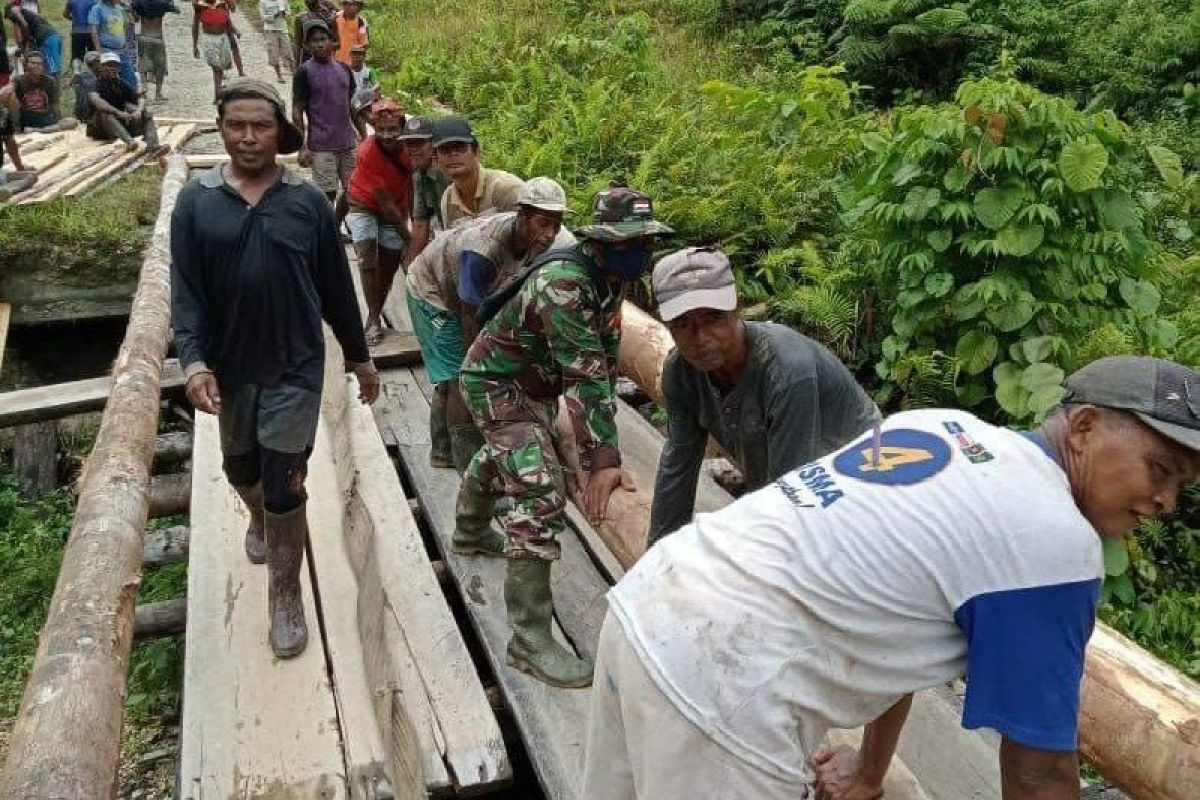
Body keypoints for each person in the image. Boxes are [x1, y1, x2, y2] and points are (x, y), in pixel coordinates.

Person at [579, 355, 1200, 800]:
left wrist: (871, 772)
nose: (1167, 500)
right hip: (723, 681)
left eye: (1181, 487)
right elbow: (1038, 772)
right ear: (1085, 426)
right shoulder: (1055, 543)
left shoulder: (944, 428)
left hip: (650, 600)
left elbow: (900, 624)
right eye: (1160, 469)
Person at [171, 78, 379, 659]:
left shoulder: (307, 201)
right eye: (237, 125)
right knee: (242, 469)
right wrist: (193, 362)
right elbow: (185, 293)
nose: (248, 137)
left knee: (287, 480)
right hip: (231, 368)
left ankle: (284, 595)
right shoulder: (197, 203)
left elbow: (338, 289)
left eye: (261, 125)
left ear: (279, 131)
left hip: (295, 366)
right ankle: (257, 516)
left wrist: (359, 359)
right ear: (220, 127)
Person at [455, 187, 673, 689]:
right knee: (540, 488)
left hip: (530, 382)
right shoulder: (566, 284)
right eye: (627, 244)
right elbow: (588, 376)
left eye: (644, 243)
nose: (639, 253)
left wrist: (600, 450)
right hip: (497, 383)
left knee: (516, 457)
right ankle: (529, 640)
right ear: (601, 243)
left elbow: (605, 350)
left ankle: (469, 530)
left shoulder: (610, 279)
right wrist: (603, 461)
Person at [647, 246, 880, 543]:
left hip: (857, 486)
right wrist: (658, 557)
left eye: (713, 318)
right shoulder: (680, 372)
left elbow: (793, 494)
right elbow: (678, 466)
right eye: (683, 324)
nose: (701, 338)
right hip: (786, 487)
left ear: (738, 308)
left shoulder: (787, 370)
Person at [406, 178, 577, 473]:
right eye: (543, 223)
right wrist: (487, 370)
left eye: (556, 224)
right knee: (461, 375)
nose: (549, 234)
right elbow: (471, 318)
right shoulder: (483, 251)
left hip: (479, 293)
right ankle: (466, 463)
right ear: (522, 215)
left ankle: (446, 449)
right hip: (432, 292)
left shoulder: (551, 242)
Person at [345, 97, 411, 345]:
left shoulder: (411, 148)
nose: (387, 135)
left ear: (402, 127)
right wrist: (410, 239)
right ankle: (373, 319)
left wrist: (415, 222)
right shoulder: (367, 151)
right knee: (368, 258)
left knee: (390, 263)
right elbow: (384, 203)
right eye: (381, 130)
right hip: (365, 203)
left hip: (398, 204)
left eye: (392, 129)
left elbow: (415, 187)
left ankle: (376, 308)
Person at [293, 19, 360, 219]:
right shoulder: (304, 72)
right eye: (314, 41)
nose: (319, 44)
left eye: (323, 39)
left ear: (333, 42)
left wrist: (363, 133)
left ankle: (335, 225)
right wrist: (301, 146)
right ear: (307, 45)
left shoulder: (344, 70)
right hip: (321, 145)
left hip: (347, 143)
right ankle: (325, 229)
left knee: (353, 192)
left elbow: (352, 106)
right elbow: (297, 109)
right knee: (326, 193)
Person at [433, 115, 523, 229]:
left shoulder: (506, 189)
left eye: (460, 148)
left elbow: (528, 237)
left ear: (476, 153)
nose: (453, 154)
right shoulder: (448, 200)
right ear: (436, 160)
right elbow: (452, 243)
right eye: (445, 150)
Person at [86, 51, 161, 152]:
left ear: (119, 68)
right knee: (105, 113)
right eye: (109, 66)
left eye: (115, 66)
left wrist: (138, 111)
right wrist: (118, 113)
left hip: (119, 126)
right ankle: (130, 142)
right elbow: (97, 101)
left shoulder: (121, 83)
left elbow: (141, 97)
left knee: (145, 113)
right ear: (102, 67)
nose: (112, 68)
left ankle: (153, 146)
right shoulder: (94, 84)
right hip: (100, 129)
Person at [400, 114, 450, 263]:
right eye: (410, 144)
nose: (414, 149)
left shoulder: (444, 172)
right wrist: (411, 264)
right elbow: (420, 222)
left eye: (420, 143)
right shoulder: (419, 174)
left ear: (433, 144)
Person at [131, 0, 179, 102]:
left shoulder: (139, 3)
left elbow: (132, 12)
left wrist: (135, 14)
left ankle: (144, 87)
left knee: (142, 65)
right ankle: (158, 93)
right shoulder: (162, 4)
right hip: (157, 38)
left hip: (144, 37)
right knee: (160, 67)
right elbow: (177, 10)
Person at [192, 0, 237, 103]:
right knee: (215, 66)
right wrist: (195, 45)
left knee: (221, 66)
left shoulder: (221, 4)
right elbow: (195, 25)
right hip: (209, 37)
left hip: (223, 36)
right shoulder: (200, 6)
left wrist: (234, 30)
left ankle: (219, 91)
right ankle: (218, 92)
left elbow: (230, 14)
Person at [7, 0, 63, 76]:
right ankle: (54, 83)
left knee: (51, 68)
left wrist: (23, 46)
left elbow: (25, 26)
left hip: (47, 39)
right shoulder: (30, 13)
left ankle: (53, 85)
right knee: (55, 64)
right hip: (55, 35)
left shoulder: (16, 13)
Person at [0, 90, 38, 201]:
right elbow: (10, 143)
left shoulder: (3, 113)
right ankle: (8, 191)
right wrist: (19, 167)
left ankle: (6, 191)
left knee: (30, 176)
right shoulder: (3, 113)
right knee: (30, 177)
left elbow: (10, 143)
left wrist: (20, 167)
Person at [89, 0, 135, 86]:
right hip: (107, 49)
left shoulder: (120, 8)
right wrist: (98, 49)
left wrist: (128, 10)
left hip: (122, 49)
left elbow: (129, 24)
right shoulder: (97, 9)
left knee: (130, 78)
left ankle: (130, 97)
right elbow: (94, 30)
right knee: (111, 78)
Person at [14, 51, 59, 130]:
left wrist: (56, 118)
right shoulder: (19, 80)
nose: (36, 66)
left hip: (44, 116)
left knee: (71, 122)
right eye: (33, 63)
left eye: (39, 64)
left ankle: (38, 130)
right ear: (26, 65)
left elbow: (54, 103)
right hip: (26, 115)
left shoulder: (50, 81)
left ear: (43, 66)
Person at [257, 0, 292, 83]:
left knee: (288, 51)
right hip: (270, 31)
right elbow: (263, 18)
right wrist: (274, 15)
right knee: (274, 54)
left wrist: (284, 13)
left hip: (283, 29)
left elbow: (289, 13)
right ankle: (279, 75)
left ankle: (294, 73)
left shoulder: (283, 1)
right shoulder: (263, 2)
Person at [292, 0, 335, 66]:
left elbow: (334, 36)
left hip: (325, 55)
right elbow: (298, 43)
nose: (309, 2)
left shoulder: (327, 12)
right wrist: (296, 64)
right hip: (308, 56)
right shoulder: (300, 18)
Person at [64, 0, 98, 71]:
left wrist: (74, 19)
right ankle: (94, 73)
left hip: (77, 31)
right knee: (93, 55)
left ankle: (77, 73)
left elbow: (65, 14)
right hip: (91, 32)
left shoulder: (71, 1)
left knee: (76, 56)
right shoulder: (95, 1)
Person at [332, 0, 366, 66]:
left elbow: (364, 43)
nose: (350, 7)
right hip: (337, 61)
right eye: (347, 4)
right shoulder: (335, 19)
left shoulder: (361, 21)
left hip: (353, 62)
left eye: (354, 4)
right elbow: (332, 38)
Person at [72, 49, 101, 121]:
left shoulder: (89, 75)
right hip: (87, 114)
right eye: (99, 61)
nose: (101, 64)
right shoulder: (88, 77)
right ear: (93, 63)